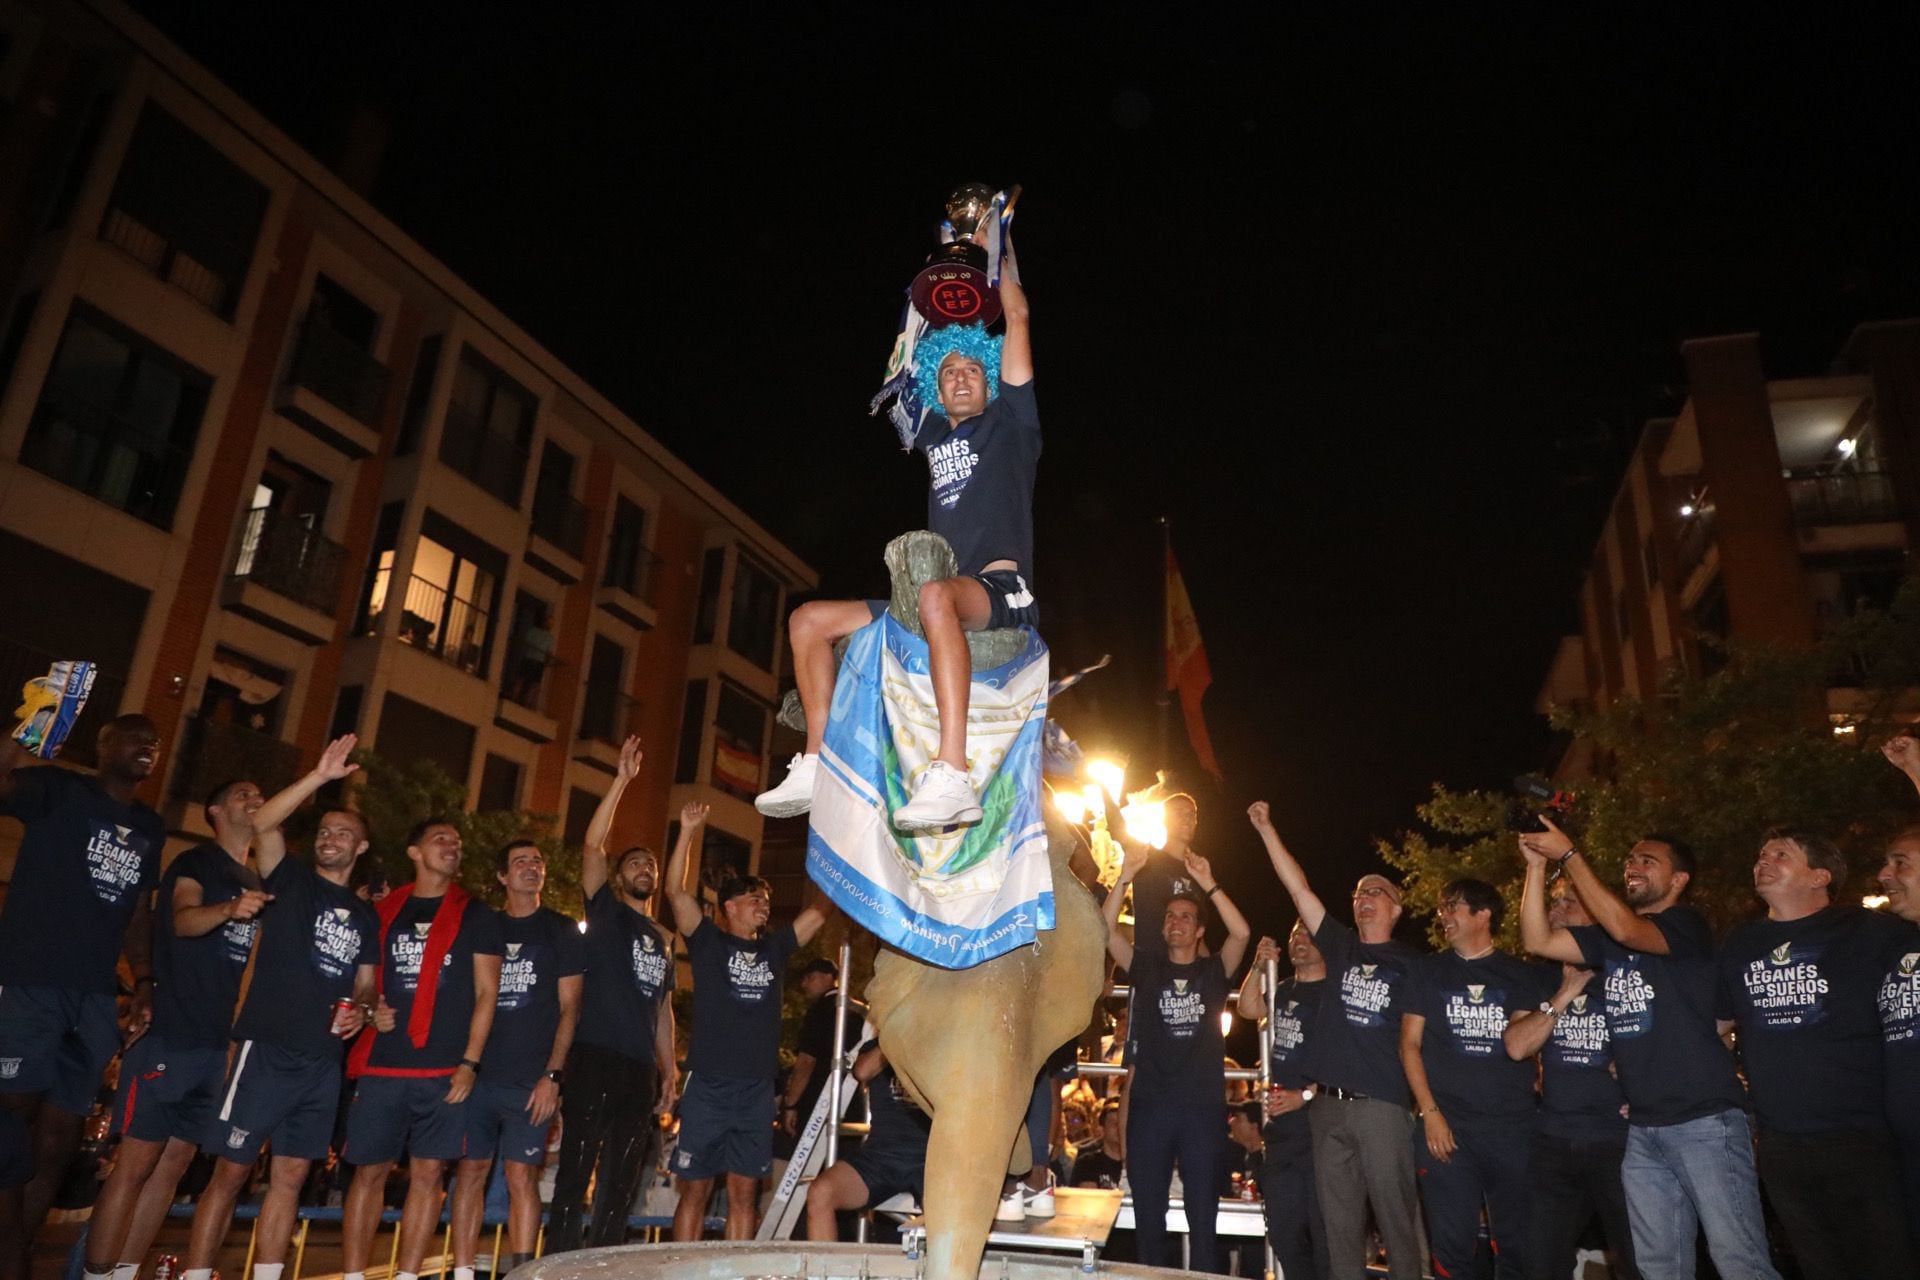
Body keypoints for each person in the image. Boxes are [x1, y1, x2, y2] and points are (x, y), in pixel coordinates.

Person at [756, 237, 1035, 832]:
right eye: (950, 371)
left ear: (989, 380)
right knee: (807, 620)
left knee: (937, 592)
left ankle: (953, 774)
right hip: (934, 595)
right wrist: (938, 281)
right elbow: (904, 364)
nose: (960, 377)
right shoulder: (933, 433)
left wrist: (996, 245)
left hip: (998, 588)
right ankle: (817, 759)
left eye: (971, 369)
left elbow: (1016, 315)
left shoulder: (1013, 426)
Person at [1517, 819, 1780, 1280]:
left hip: (1705, 1121)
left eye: (1647, 861)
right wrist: (1536, 869)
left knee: (1739, 1261)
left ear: (1679, 880)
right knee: (1657, 1266)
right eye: (1630, 859)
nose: (1633, 866)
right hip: (1643, 1128)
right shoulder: (1610, 941)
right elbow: (1537, 939)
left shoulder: (1686, 924)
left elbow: (1624, 928)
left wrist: (1570, 856)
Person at [179, 737, 377, 1280]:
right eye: (325, 830)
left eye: (343, 833)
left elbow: (366, 985)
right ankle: (197, 1274)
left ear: (360, 849)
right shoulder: (290, 880)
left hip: (321, 1063)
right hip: (265, 1047)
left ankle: (267, 1273)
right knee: (231, 1171)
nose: (330, 838)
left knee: (289, 1177)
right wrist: (318, 775)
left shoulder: (364, 918)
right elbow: (265, 824)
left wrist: (359, 1011)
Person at [0, 715, 165, 1280]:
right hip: (30, 980)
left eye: (155, 742)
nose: (148, 747)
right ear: (103, 742)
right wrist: (23, 732)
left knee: (59, 1137)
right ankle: (12, 1258)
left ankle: (17, 1248)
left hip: (94, 996)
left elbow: (138, 912)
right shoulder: (60, 788)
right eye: (136, 736)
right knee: (10, 1120)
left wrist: (144, 980)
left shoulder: (150, 824)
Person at [83, 779, 267, 1280]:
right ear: (214, 810)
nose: (254, 800)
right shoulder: (194, 864)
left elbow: (247, 967)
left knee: (174, 1167)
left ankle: (125, 1271)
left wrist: (235, 1038)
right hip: (170, 1033)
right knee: (136, 1164)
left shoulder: (254, 878)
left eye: (259, 796)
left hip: (214, 1046)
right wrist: (230, 908)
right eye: (242, 795)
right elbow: (182, 921)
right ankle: (96, 1273)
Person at [1714, 826, 1915, 1280]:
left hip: (1863, 1138)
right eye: (1761, 854)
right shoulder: (1740, 942)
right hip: (1781, 1144)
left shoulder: (1871, 931)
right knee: (1820, 1266)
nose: (1762, 861)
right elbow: (1717, 1029)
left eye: (1781, 854)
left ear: (1819, 876)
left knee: (1888, 1264)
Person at [1246, 800, 1424, 1280]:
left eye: (1377, 891)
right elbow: (1298, 887)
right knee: (1339, 1226)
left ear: (1397, 907)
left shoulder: (1413, 964)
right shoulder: (1341, 948)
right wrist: (1267, 829)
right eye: (1358, 892)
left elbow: (1423, 1038)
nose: (1364, 897)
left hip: (1382, 1105)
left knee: (1395, 1220)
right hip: (1326, 1107)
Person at [340, 819, 503, 1280]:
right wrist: (372, 1012)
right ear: (414, 851)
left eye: (457, 842)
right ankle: (354, 1275)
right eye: (441, 839)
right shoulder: (383, 910)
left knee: (429, 1177)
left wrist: (470, 1063)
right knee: (368, 1173)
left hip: (443, 1068)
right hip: (384, 1063)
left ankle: (409, 1275)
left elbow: (487, 994)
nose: (453, 847)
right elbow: (364, 983)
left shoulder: (477, 914)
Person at [664, 803, 829, 1239]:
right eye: (754, 897)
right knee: (695, 1191)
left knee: (744, 1194)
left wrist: (842, 869)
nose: (763, 904)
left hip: (756, 1090)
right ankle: (685, 1270)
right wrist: (687, 832)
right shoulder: (708, 943)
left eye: (767, 899)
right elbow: (676, 894)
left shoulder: (774, 949)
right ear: (729, 907)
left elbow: (817, 914)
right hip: (710, 1085)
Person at [549, 737, 678, 1252]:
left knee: (623, 1177)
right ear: (620, 877)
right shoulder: (604, 912)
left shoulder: (664, 939)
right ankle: (559, 1260)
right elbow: (592, 847)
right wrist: (622, 781)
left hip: (639, 1068)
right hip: (596, 1055)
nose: (643, 870)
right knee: (578, 1165)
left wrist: (669, 1071)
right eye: (635, 864)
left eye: (650, 865)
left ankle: (602, 1261)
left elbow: (664, 1010)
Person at [1104, 842, 1250, 1272]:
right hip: (1151, 1108)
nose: (1176, 922)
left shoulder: (1213, 972)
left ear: (1200, 929)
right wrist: (1125, 876)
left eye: (1187, 917)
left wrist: (1210, 884)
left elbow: (1241, 933)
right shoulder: (1147, 966)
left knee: (1202, 1217)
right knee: (1149, 1218)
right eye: (1170, 916)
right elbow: (1105, 930)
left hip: (1201, 1110)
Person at [1398, 878, 1547, 1280]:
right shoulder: (1426, 971)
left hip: (1511, 1129)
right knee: (1451, 1248)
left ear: (1484, 915)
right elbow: (1409, 1044)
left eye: (1453, 907)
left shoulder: (1519, 974)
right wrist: (1430, 1112)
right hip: (1447, 1128)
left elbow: (1524, 1043)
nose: (1443, 915)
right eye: (1442, 907)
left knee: (1515, 1245)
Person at [450, 841, 585, 1278]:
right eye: (520, 862)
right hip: (480, 1077)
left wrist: (553, 1076)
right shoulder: (483, 927)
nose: (531, 867)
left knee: (521, 1177)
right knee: (469, 1173)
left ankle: (523, 1272)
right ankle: (465, 1270)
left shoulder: (561, 930)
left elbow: (570, 1009)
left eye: (537, 861)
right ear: (503, 878)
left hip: (531, 1080)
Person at [1502, 882, 1641, 1280]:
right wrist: (1563, 995)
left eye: (1569, 902)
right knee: (1539, 1262)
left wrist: (1639, 1081)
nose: (1556, 909)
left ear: (1598, 914)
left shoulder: (1625, 971)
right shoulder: (1537, 977)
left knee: (1637, 1260)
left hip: (1620, 1141)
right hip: (1555, 1140)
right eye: (1555, 901)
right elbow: (1516, 1045)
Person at [1237, 924, 1330, 1280]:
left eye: (1308, 935)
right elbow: (1247, 1007)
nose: (1299, 941)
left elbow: (1353, 1063)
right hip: (1282, 1136)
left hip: (1322, 1131)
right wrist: (1260, 966)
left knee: (1325, 1236)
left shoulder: (1334, 994)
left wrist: (1305, 1095)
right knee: (1284, 1232)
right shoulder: (1284, 990)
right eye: (1293, 936)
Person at [803, 1041, 931, 1239]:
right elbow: (862, 1072)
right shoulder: (880, 1045)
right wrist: (898, 1033)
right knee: (821, 1193)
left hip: (933, 1157)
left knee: (949, 1216)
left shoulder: (944, 1041)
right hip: (881, 1157)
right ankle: (829, 1271)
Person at [1876, 736, 1920, 1247]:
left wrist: (1914, 771)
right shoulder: (1889, 946)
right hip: (1903, 1152)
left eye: (1900, 862)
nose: (1884, 876)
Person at [780, 957, 867, 1137]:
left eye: (809, 977)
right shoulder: (861, 1011)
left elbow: (806, 1061)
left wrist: (791, 1104)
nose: (804, 984)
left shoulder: (820, 1011)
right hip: (852, 1100)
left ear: (828, 977)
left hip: (819, 1102)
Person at [1128, 794, 1205, 955]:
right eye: (1179, 813)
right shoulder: (1148, 861)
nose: (1187, 819)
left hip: (1185, 968)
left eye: (1191, 814)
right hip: (1151, 966)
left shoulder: (1198, 871)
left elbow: (1197, 931)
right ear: (1165, 820)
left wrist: (1210, 970)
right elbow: (1117, 829)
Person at [1069, 1099, 1126, 1189]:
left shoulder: (1138, 1164)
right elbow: (1089, 1198)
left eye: (1122, 1123)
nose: (1119, 1127)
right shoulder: (1088, 1163)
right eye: (1113, 1123)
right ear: (1102, 1130)